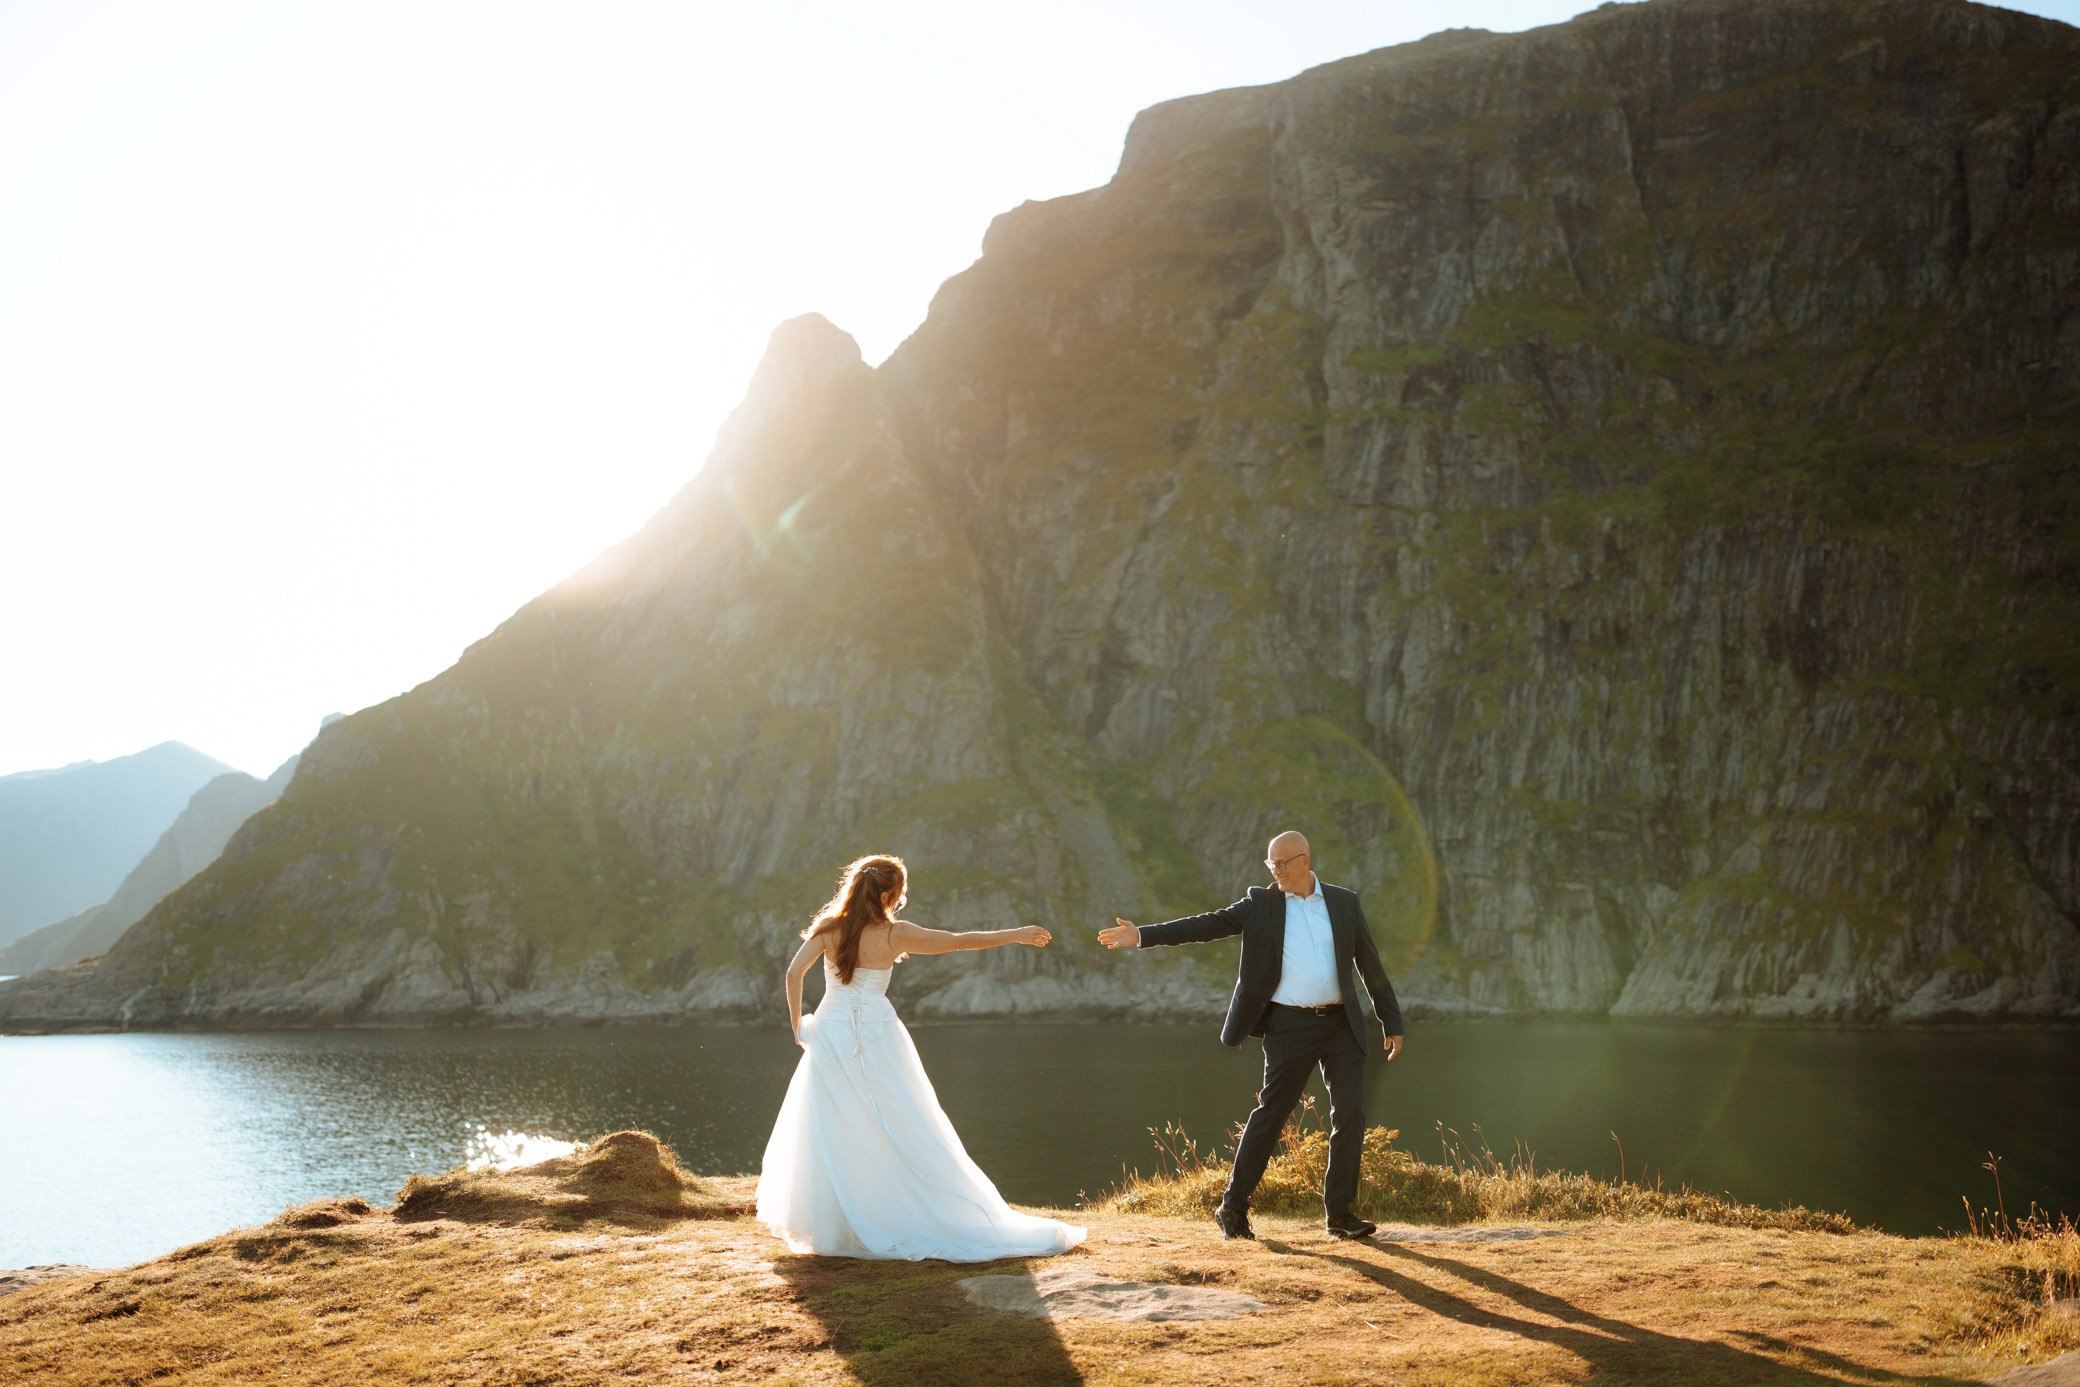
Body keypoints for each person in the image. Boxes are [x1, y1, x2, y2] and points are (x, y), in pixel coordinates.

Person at [755, 854, 1087, 1261]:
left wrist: (797, 1028)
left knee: (831, 1121)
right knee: (902, 1118)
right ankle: (896, 1206)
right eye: (902, 889)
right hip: (879, 1034)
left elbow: (793, 974)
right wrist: (1015, 933)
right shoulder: (897, 934)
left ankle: (838, 1221)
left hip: (830, 1032)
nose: (904, 896)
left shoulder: (829, 929)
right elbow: (959, 941)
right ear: (887, 893)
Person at [1098, 830, 1404, 1241]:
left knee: (1350, 1115)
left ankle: (1340, 1215)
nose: (1275, 871)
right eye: (1270, 864)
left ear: (1305, 861)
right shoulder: (1261, 905)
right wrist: (1141, 936)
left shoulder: (1344, 902)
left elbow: (1370, 963)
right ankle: (1233, 1207)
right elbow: (1205, 925)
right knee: (1272, 1115)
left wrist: (1392, 1021)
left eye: (1282, 863)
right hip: (1288, 1026)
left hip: (1340, 1025)